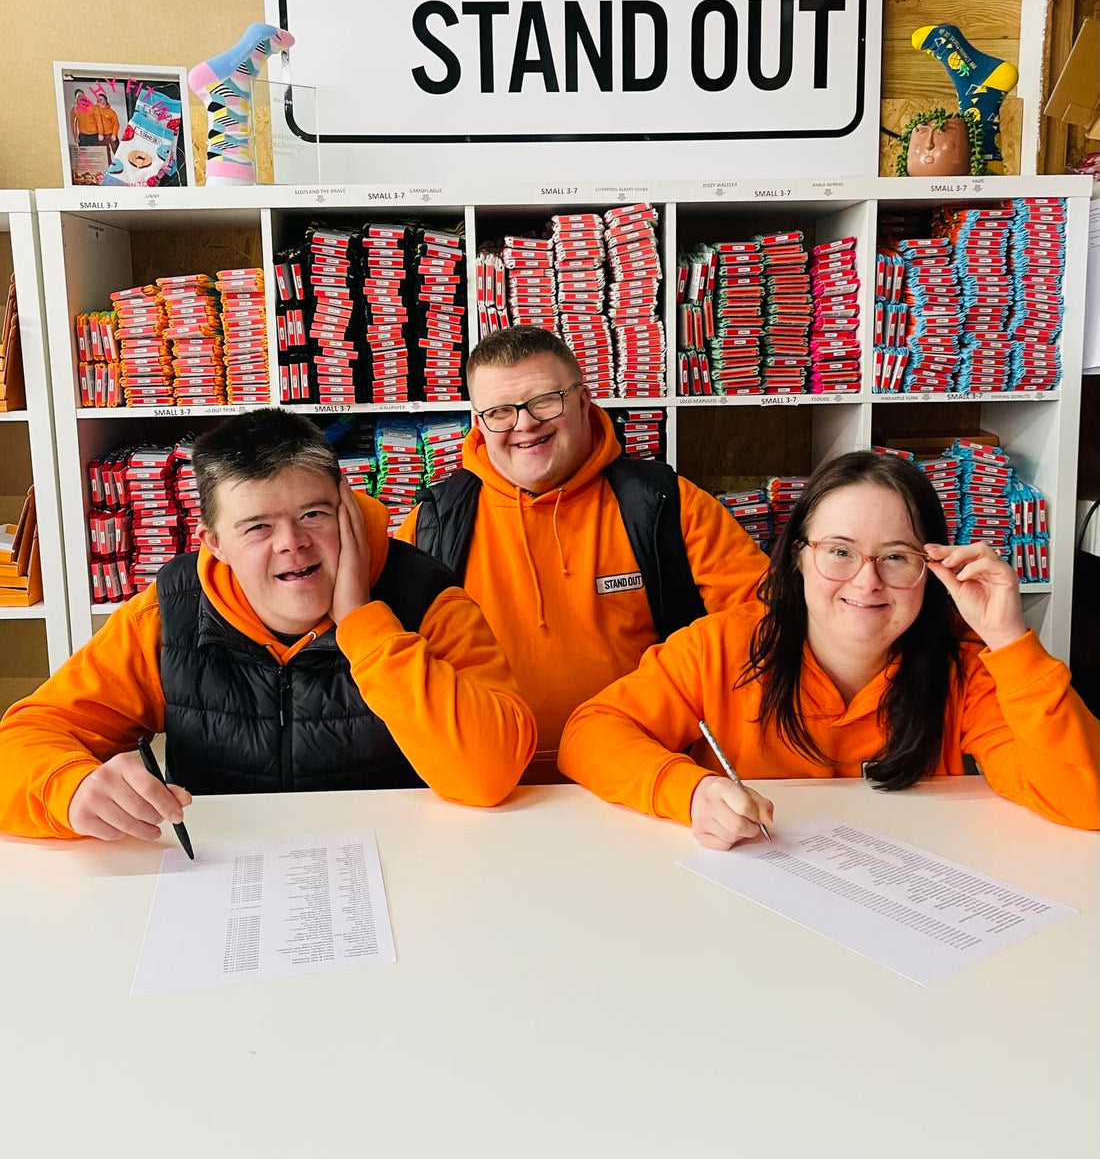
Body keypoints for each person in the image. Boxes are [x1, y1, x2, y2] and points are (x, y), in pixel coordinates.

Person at [0, 409, 537, 844]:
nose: (291, 543)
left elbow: (489, 773)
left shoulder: (429, 600)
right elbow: (23, 741)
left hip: (410, 883)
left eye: (313, 515)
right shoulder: (166, 616)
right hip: (220, 884)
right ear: (215, 543)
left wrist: (363, 623)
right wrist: (68, 789)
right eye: (257, 526)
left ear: (346, 506)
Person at [559, 451, 1099, 840]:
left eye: (896, 556)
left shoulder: (968, 672)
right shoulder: (721, 645)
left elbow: (1086, 799)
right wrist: (689, 791)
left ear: (934, 567)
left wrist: (1009, 640)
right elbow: (589, 734)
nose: (867, 582)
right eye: (839, 551)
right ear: (797, 557)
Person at [397, 325, 770, 778]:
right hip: (487, 792)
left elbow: (765, 631)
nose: (525, 424)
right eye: (499, 411)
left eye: (544, 400)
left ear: (582, 399)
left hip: (641, 781)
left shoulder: (668, 505)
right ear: (479, 422)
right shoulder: (434, 522)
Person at [93, 93, 120, 160]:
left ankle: (120, 165)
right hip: (101, 136)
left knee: (117, 151)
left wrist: (114, 134)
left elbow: (115, 123)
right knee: (105, 153)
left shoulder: (111, 112)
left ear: (105, 100)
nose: (99, 101)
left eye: (101, 99)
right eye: (98, 99)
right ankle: (108, 166)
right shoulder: (95, 109)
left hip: (110, 135)